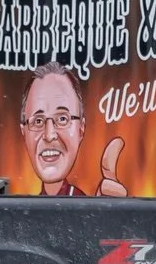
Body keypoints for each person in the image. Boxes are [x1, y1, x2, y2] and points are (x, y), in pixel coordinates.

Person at [19, 63, 126, 197]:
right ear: (24, 132)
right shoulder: (22, 205)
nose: (49, 135)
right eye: (38, 121)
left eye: (62, 119)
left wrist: (102, 208)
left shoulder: (80, 199)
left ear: (81, 129)